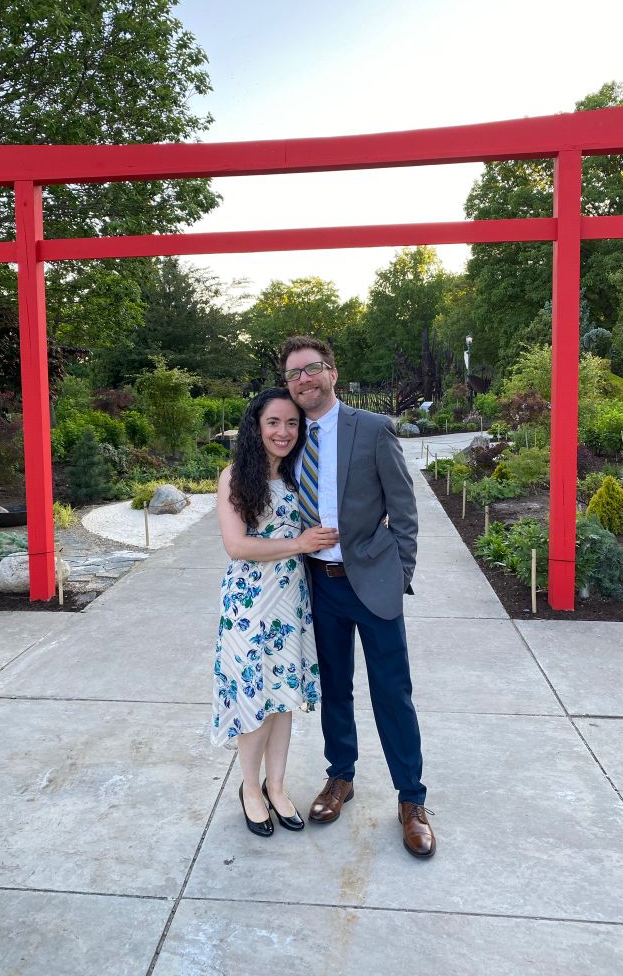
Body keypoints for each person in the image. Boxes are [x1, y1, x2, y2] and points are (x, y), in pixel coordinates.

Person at [280, 335, 436, 858]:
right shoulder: (288, 435)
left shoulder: (371, 428)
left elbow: (404, 508)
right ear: (288, 385)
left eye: (313, 368)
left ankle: (411, 800)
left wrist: (401, 572)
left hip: (372, 583)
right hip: (319, 585)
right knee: (335, 690)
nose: (305, 378)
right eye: (295, 373)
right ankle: (339, 777)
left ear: (332, 373)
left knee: (393, 692)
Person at [211, 387, 339, 837]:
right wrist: (299, 544)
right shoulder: (235, 477)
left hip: (291, 600)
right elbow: (237, 545)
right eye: (273, 423)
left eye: (291, 423)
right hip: (250, 602)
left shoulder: (296, 475)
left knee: (282, 698)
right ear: (255, 427)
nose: (283, 432)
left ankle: (278, 786)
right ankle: (250, 789)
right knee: (254, 698)